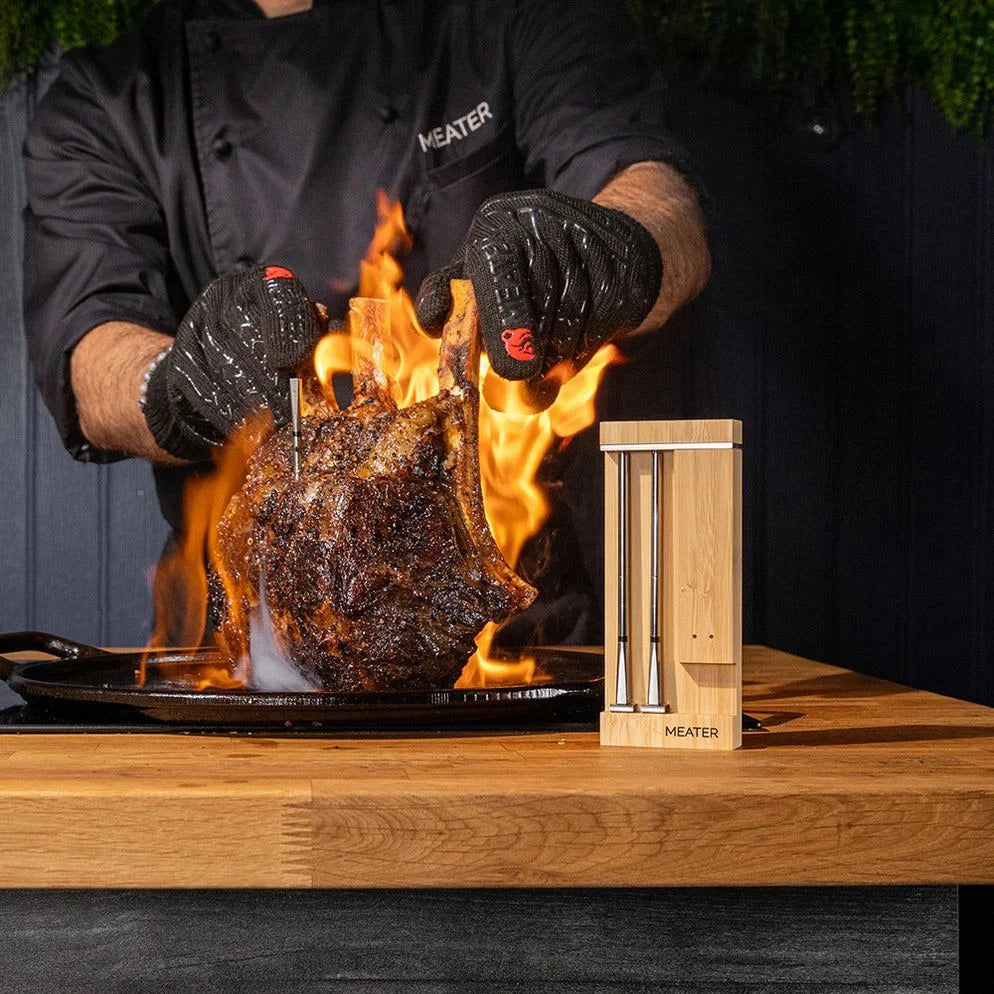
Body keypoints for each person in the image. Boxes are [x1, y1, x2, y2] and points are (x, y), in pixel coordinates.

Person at [23, 0, 710, 643]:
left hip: (515, 624)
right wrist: (177, 386)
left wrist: (609, 254)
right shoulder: (110, 94)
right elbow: (90, 350)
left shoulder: (511, 15)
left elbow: (658, 197)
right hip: (242, 650)